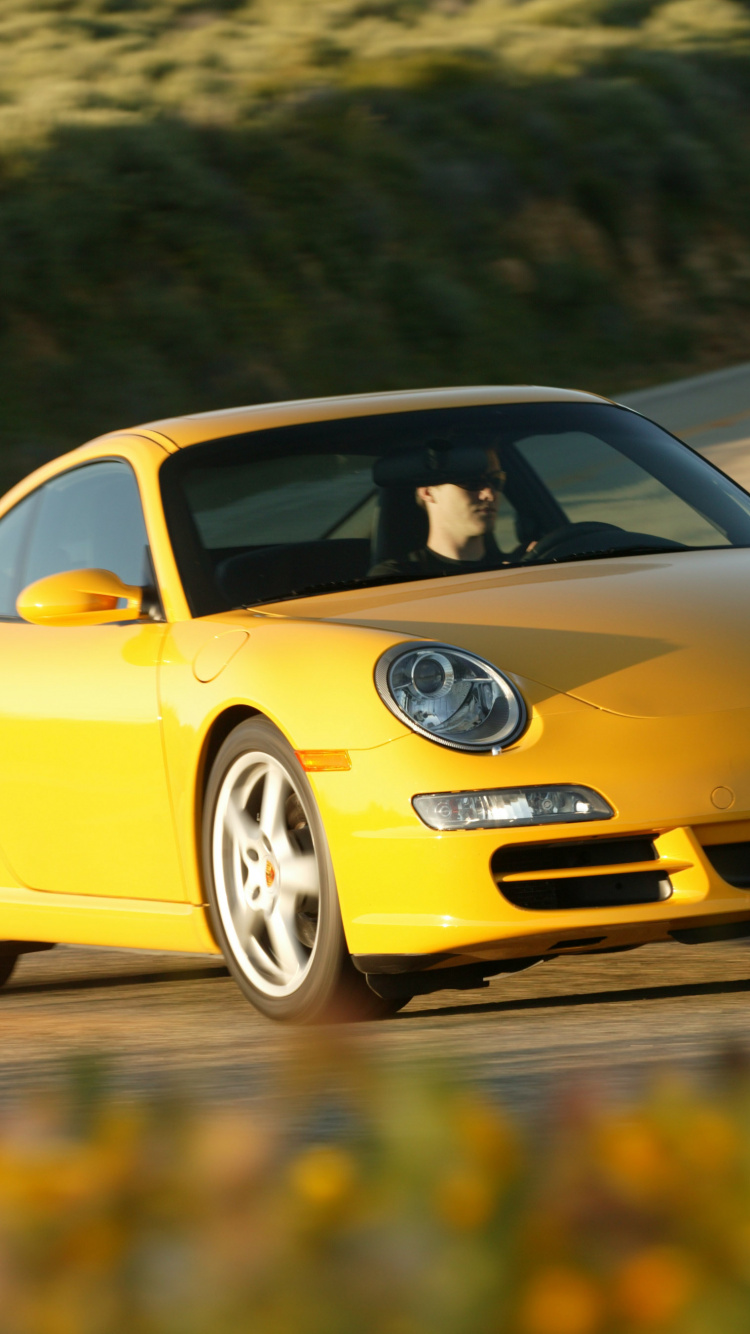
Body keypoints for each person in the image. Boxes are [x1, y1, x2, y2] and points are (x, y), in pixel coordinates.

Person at [369, 442, 509, 580]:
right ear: (428, 492)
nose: (489, 494)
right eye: (472, 481)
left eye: (496, 480)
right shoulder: (396, 578)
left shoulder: (517, 568)